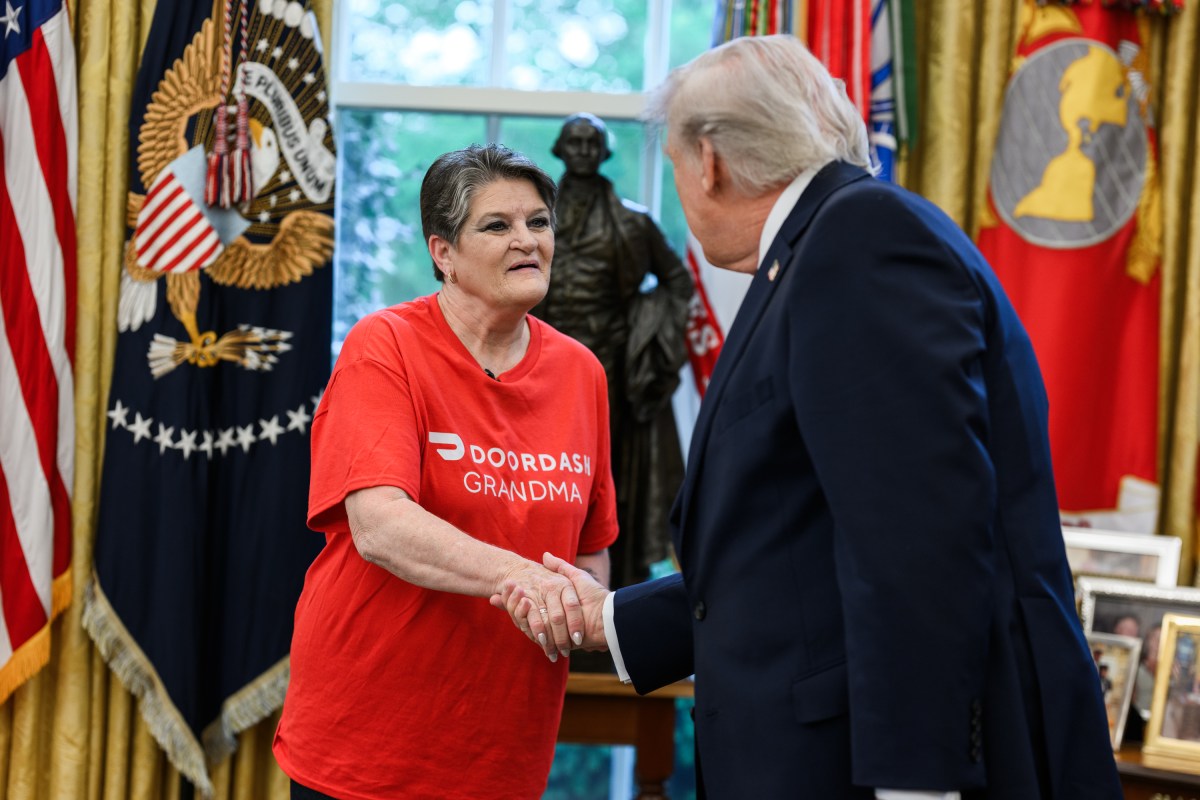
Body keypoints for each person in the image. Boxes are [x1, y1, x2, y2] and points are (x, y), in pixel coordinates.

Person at [498, 34, 1122, 799]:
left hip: (883, 768)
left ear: (710, 162)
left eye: (672, 167)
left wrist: (919, 784)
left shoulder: (860, 242)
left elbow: (920, 540)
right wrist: (615, 621)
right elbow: (808, 542)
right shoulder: (828, 244)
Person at [273, 143, 617, 800]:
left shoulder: (582, 373)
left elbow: (590, 550)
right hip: (368, 743)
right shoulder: (387, 345)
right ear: (443, 253)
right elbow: (379, 525)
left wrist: (576, 608)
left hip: (503, 748)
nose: (527, 241)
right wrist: (520, 577)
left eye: (538, 222)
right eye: (497, 225)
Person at [534, 112, 693, 591]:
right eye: (574, 143)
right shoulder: (528, 221)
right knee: (532, 478)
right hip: (536, 366)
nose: (582, 151)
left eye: (592, 143)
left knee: (605, 483)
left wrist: (647, 335)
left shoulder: (634, 223)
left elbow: (678, 283)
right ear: (559, 151)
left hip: (610, 370)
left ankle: (607, 596)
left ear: (605, 153)